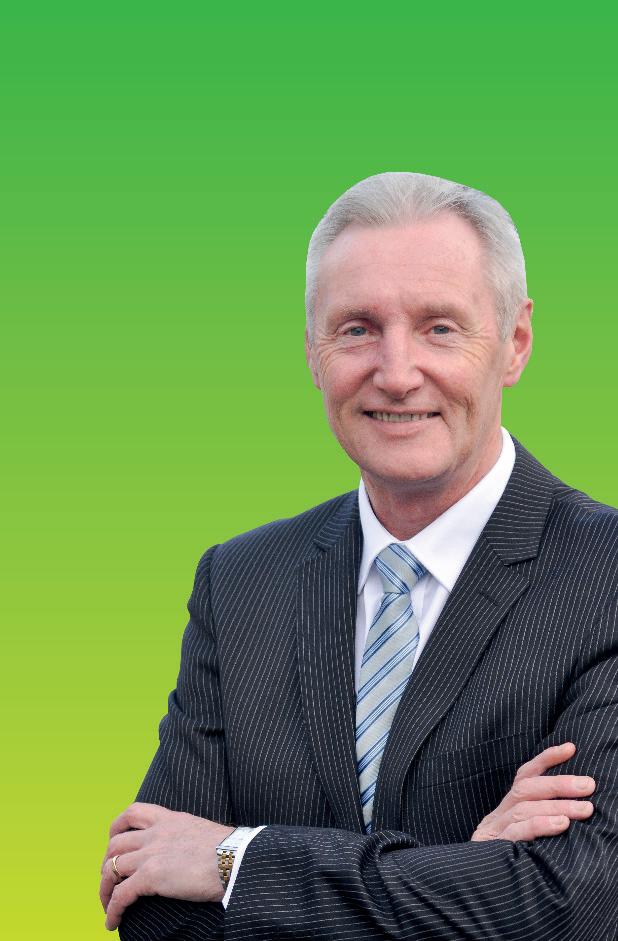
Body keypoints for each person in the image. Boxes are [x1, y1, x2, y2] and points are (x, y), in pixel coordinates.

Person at [100, 173, 617, 940]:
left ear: (515, 341)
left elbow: (571, 906)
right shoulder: (239, 585)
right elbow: (151, 905)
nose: (397, 372)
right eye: (357, 329)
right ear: (313, 352)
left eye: (440, 327)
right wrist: (465, 867)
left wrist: (236, 858)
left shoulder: (605, 574)